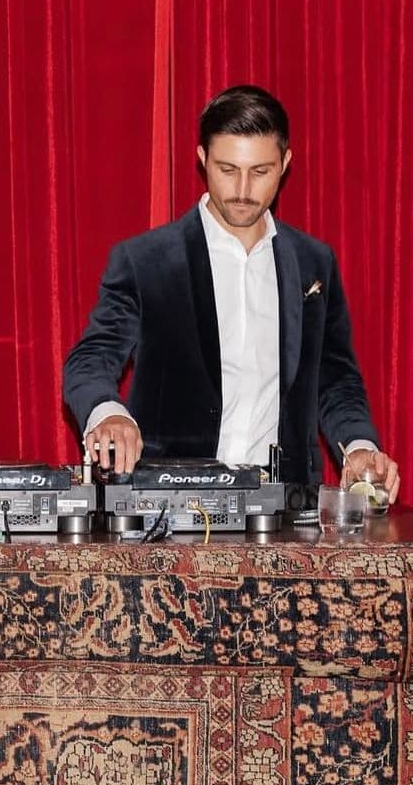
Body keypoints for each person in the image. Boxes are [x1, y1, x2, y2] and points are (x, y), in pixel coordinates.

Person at [62, 84, 400, 499]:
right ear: (202, 158)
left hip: (285, 504)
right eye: (227, 169)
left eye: (260, 171)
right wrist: (110, 414)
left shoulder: (315, 263)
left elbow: (336, 381)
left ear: (285, 163)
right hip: (167, 501)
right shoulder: (144, 260)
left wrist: (361, 447)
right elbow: (90, 360)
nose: (242, 189)